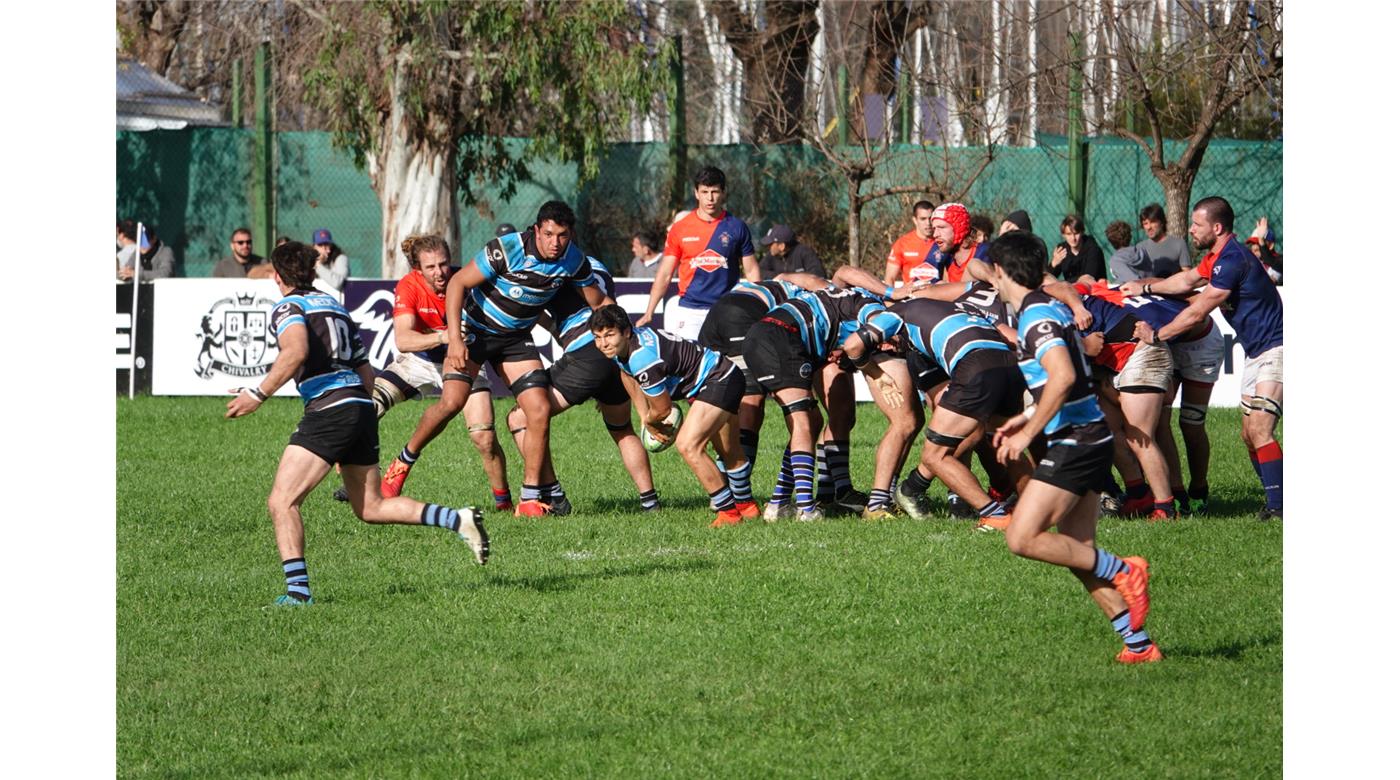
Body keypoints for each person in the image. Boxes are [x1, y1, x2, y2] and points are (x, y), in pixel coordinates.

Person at [224, 241, 489, 606]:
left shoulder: (289, 307)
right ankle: (457, 520)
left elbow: (296, 351)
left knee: (282, 502)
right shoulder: (333, 305)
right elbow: (364, 369)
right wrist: (356, 414)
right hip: (360, 406)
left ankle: (298, 595)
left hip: (331, 409)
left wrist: (257, 394)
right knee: (370, 507)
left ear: (277, 277)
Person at [984, 231, 1160, 664]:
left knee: (1023, 537)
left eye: (992, 271)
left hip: (1076, 443)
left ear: (1002, 272)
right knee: (1079, 552)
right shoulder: (1046, 309)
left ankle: (1126, 570)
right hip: (1089, 436)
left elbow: (1062, 378)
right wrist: (1024, 419)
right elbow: (1068, 382)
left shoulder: (1035, 317)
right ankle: (1139, 645)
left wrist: (1027, 436)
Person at [382, 201, 606, 517]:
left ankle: (530, 499)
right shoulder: (507, 249)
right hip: (474, 333)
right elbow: (458, 283)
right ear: (537, 230)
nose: (555, 243)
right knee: (451, 403)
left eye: (563, 236)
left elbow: (598, 301)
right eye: (549, 234)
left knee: (538, 410)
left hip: (514, 340)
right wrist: (456, 340)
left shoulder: (573, 259)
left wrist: (623, 331)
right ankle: (402, 464)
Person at [1122, 196, 1283, 520]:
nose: (1191, 230)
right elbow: (1185, 281)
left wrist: (1157, 336)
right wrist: (1146, 289)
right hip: (1256, 352)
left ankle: (1280, 508)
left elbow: (1197, 311)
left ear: (1217, 227)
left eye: (1197, 224)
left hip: (1279, 346)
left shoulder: (1232, 260)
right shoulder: (1216, 257)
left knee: (1261, 428)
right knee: (1249, 434)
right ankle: (1274, 501)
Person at [336, 235, 513, 512]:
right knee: (365, 408)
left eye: (443, 264)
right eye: (430, 267)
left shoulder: (466, 280)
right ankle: (357, 481)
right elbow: (404, 340)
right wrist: (444, 337)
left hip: (463, 363)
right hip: (417, 362)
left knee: (485, 438)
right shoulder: (409, 286)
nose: (439, 272)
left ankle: (504, 505)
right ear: (417, 269)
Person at [501, 254, 660, 514]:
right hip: (616, 352)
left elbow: (532, 310)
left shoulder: (555, 269)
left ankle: (553, 495)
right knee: (621, 429)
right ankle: (649, 501)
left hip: (587, 350)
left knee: (521, 418)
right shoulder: (598, 264)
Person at [743, 285, 910, 522]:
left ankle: (778, 503)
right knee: (803, 423)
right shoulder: (874, 308)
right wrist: (878, 373)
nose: (888, 347)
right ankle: (807, 509)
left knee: (812, 420)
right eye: (892, 342)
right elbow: (869, 330)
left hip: (767, 335)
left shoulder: (840, 297)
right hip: (782, 337)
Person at [589, 304, 753, 528]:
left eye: (609, 335)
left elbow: (665, 409)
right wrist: (642, 414)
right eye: (597, 337)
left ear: (626, 332)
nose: (603, 343)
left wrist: (651, 420)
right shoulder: (623, 348)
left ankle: (729, 513)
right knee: (729, 450)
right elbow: (626, 373)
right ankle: (747, 506)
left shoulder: (642, 357)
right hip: (721, 375)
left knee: (688, 446)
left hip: (718, 379)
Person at [887, 297, 1027, 531]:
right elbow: (1008, 334)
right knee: (1002, 441)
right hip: (1005, 363)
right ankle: (1035, 510)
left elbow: (856, 342)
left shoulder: (964, 289)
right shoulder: (969, 299)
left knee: (941, 450)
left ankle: (993, 514)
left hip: (975, 361)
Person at [638, 166, 759, 340]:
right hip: (690, 311)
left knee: (727, 363)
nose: (710, 198)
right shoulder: (680, 228)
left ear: (723, 193)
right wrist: (649, 312)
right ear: (696, 193)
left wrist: (757, 304)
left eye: (715, 191)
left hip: (726, 309)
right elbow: (665, 274)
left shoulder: (736, 227)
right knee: (689, 363)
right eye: (704, 192)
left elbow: (751, 270)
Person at [883, 200, 940, 286]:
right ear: (915, 220)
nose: (928, 223)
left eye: (930, 218)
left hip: (938, 296)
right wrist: (889, 299)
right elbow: (889, 278)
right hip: (912, 297)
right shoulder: (902, 244)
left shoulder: (943, 242)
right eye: (923, 219)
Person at [931, 202, 987, 283]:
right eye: (934, 229)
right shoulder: (946, 258)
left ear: (959, 228)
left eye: (941, 227)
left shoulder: (986, 253)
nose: (935, 234)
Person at [1135, 203, 1193, 272]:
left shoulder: (1179, 244)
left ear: (1162, 222)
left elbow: (1187, 275)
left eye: (1153, 222)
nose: (1149, 227)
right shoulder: (1139, 248)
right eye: (1145, 223)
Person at [1051, 215, 1106, 282]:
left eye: (1076, 233)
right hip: (1070, 289)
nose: (1073, 238)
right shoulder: (1062, 250)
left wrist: (1063, 284)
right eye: (1069, 234)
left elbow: (1088, 279)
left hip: (1093, 290)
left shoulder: (1093, 250)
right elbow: (1048, 279)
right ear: (1063, 235)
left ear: (1082, 232)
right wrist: (1053, 264)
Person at [757, 224, 824, 279]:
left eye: (770, 244)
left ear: (781, 246)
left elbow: (818, 275)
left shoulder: (804, 252)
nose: (768, 247)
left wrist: (789, 278)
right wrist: (781, 277)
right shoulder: (771, 255)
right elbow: (758, 271)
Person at [311, 228, 350, 294]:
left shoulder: (340, 258)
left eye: (326, 244)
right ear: (314, 247)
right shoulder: (310, 258)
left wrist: (318, 266)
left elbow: (337, 283)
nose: (324, 248)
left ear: (331, 245)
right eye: (320, 245)